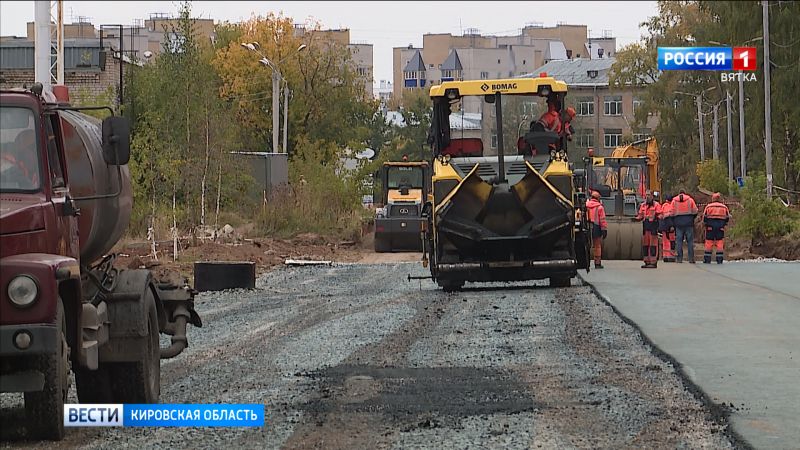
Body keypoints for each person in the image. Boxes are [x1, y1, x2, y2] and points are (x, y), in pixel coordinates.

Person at [633, 190, 662, 268]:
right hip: (645, 227)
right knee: (645, 245)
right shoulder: (643, 205)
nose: (647, 197)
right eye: (646, 195)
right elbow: (640, 215)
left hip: (653, 227)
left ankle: (653, 262)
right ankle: (647, 261)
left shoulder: (656, 205)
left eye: (649, 195)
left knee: (653, 245)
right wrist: (636, 219)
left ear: (652, 196)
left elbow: (661, 215)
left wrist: (656, 216)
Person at [702, 192, 731, 264]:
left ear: (713, 199)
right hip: (720, 227)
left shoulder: (708, 207)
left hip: (710, 227)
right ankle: (719, 259)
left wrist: (705, 224)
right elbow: (727, 218)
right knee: (719, 242)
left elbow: (704, 217)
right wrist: (724, 224)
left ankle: (707, 259)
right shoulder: (724, 207)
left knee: (709, 242)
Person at [672, 189, 699, 263]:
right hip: (688, 223)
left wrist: (674, 222)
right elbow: (695, 211)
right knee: (690, 241)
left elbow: (671, 212)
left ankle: (679, 258)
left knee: (679, 241)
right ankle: (691, 258)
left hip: (678, 223)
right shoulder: (690, 200)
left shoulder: (674, 201)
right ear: (685, 193)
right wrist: (692, 218)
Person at [586, 190, 608, 269]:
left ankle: (585, 262)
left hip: (587, 227)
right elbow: (602, 219)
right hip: (596, 227)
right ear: (598, 198)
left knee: (586, 245)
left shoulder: (586, 205)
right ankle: (597, 263)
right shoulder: (600, 207)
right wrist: (604, 229)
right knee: (597, 246)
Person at [659, 194, 676, 262]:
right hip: (669, 226)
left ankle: (665, 255)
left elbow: (661, 216)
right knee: (671, 241)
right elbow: (668, 217)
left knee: (665, 241)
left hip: (663, 227)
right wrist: (671, 226)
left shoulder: (663, 206)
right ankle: (670, 256)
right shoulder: (670, 206)